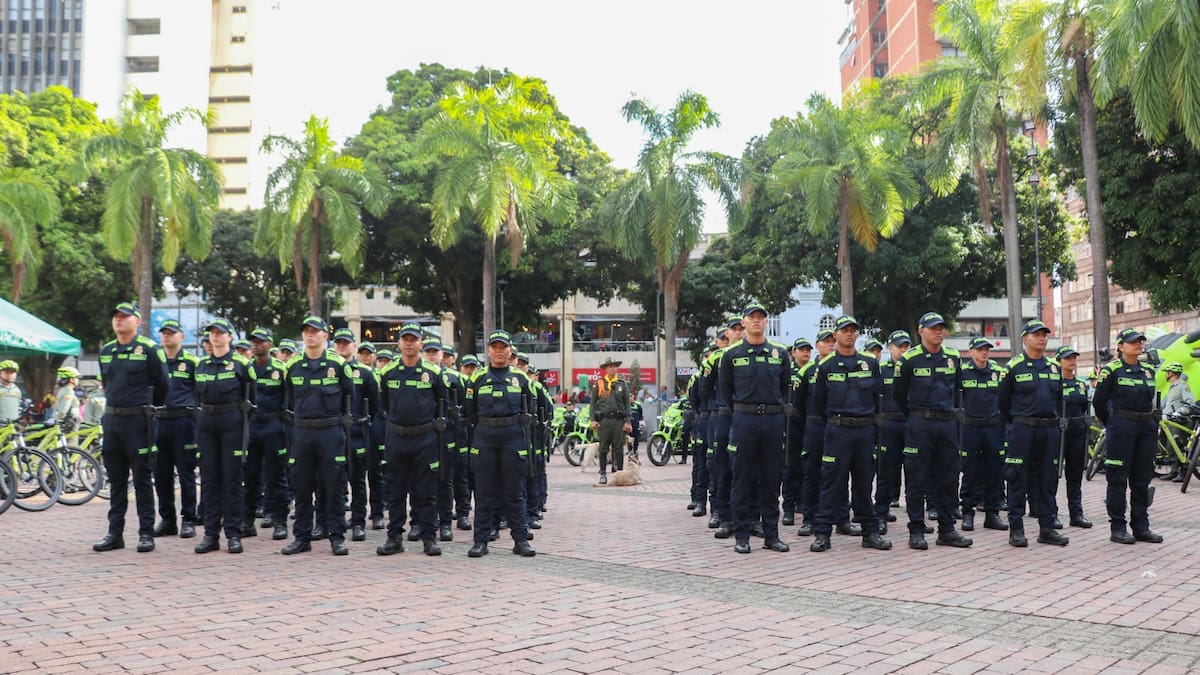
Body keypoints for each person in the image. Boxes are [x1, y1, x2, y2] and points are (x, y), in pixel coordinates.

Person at [93, 302, 169, 553]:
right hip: (112, 420)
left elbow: (163, 384)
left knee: (142, 480)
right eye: (116, 316)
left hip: (139, 421)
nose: (119, 320)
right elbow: (107, 384)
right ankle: (114, 534)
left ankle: (146, 533)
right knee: (116, 481)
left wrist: (148, 409)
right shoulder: (106, 350)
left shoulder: (149, 349)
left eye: (125, 316)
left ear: (137, 321)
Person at [810, 315, 889, 552]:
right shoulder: (826, 366)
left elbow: (878, 397)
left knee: (864, 484)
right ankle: (823, 534)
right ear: (835, 335)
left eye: (853, 330)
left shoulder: (870, 364)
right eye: (844, 330)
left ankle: (870, 533)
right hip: (838, 431)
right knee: (831, 483)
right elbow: (818, 403)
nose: (849, 334)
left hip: (864, 431)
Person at [894, 312, 972, 550]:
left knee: (949, 478)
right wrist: (915, 416)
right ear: (921, 331)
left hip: (946, 423)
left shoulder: (952, 357)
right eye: (933, 328)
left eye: (941, 328)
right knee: (916, 478)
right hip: (919, 423)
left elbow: (958, 388)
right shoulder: (909, 359)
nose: (938, 332)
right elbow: (898, 395)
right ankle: (916, 530)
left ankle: (947, 530)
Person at [718, 302, 791, 554]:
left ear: (766, 322)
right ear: (744, 322)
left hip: (772, 420)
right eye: (752, 317)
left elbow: (785, 387)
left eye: (761, 317)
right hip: (744, 420)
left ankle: (771, 535)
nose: (757, 320)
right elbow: (726, 391)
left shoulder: (779, 353)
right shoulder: (731, 355)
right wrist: (743, 410)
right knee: (742, 478)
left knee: (771, 480)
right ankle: (742, 536)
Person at [281, 316, 355, 556]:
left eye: (315, 331)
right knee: (301, 486)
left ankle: (337, 537)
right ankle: (301, 538)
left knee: (334, 486)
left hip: (330, 431)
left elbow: (349, 396)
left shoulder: (338, 364)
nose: (310, 335)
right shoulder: (292, 366)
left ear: (325, 336)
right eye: (306, 331)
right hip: (302, 432)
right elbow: (289, 398)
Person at [376, 323, 449, 557]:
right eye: (405, 339)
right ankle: (394, 538)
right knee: (395, 491)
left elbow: (443, 402)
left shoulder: (433, 372)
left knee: (426, 491)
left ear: (420, 343)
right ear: (398, 343)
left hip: (424, 437)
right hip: (396, 437)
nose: (409, 344)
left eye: (413, 340)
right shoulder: (388, 372)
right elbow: (382, 405)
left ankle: (429, 538)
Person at [997, 320, 1068, 547]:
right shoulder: (1013, 367)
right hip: (1023, 429)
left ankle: (1047, 528)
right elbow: (1003, 402)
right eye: (1037, 334)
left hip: (1048, 430)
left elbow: (1058, 399)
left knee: (1047, 480)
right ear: (1025, 338)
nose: (1042, 338)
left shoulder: (1053, 368)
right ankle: (1016, 529)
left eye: (1044, 334)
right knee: (1018, 478)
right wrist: (1017, 423)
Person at [465, 330, 536, 558]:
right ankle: (481, 541)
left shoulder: (521, 378)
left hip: (512, 435)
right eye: (494, 347)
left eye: (503, 347)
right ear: (488, 350)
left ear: (510, 350)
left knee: (515, 491)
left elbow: (530, 408)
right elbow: (469, 412)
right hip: (485, 435)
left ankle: (520, 540)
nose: (498, 351)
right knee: (484, 492)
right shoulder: (477, 378)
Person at [1093, 328, 1162, 544]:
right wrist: (1113, 422)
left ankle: (1141, 526)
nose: (1138, 344)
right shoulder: (1111, 370)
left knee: (1142, 479)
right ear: (1121, 346)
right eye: (1133, 341)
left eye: (1140, 341)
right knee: (1118, 479)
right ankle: (1118, 527)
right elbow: (1098, 402)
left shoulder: (1148, 370)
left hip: (1146, 427)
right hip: (1122, 427)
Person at [193, 318, 256, 554]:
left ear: (229, 336)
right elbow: (196, 397)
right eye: (212, 333)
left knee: (232, 480)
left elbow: (253, 397)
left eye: (220, 333)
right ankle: (211, 535)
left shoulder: (241, 364)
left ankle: (233, 534)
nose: (215, 336)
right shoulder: (202, 365)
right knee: (209, 481)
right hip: (207, 425)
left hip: (232, 424)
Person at [153, 319, 201, 540]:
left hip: (184, 422)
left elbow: (200, 392)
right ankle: (168, 520)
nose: (167, 336)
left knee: (186, 472)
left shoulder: (192, 362)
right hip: (159, 422)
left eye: (171, 333)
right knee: (161, 474)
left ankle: (189, 519)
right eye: (164, 333)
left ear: (182, 336)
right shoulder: (155, 360)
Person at [332, 328, 380, 543]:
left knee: (358, 479)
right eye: (339, 343)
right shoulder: (328, 369)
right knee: (332, 480)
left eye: (346, 342)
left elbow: (376, 407)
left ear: (354, 345)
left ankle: (358, 522)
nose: (342, 346)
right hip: (333, 431)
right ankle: (332, 522)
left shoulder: (365, 373)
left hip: (357, 433)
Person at [958, 337, 1007, 532]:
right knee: (970, 470)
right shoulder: (963, 372)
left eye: (986, 349)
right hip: (970, 427)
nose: (984, 352)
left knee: (994, 471)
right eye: (979, 349)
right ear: (971, 352)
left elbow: (1005, 398)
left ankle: (992, 513)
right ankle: (967, 513)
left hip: (992, 427)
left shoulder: (997, 372)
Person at [246, 328, 290, 540]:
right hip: (251, 426)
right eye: (254, 341)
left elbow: (290, 399)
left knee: (276, 476)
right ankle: (246, 522)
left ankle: (279, 521)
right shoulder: (246, 368)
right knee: (250, 476)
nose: (256, 344)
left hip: (274, 426)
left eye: (261, 341)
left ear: (270, 344)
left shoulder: (281, 369)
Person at [873, 330, 911, 534]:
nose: (903, 350)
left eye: (906, 346)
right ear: (890, 348)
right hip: (888, 425)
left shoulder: (912, 367)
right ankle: (881, 514)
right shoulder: (881, 370)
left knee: (915, 472)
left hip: (909, 424)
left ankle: (916, 517)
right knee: (885, 471)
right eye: (899, 346)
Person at [1056, 345, 1093, 527]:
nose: (1072, 361)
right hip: (1059, 433)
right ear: (1059, 362)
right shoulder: (1055, 383)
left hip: (1078, 432)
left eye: (1074, 358)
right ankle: (1051, 514)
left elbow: (1085, 406)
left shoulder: (1081, 384)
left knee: (1075, 475)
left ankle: (1076, 514)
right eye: (1067, 358)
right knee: (1052, 476)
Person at [780, 337, 812, 527]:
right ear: (794, 353)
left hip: (809, 423)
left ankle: (803, 502)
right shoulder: (788, 372)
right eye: (802, 350)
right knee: (790, 467)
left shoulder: (814, 370)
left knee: (806, 467)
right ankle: (789, 508)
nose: (805, 353)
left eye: (808, 350)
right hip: (791, 425)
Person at [589, 355, 632, 484]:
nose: (614, 369)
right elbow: (593, 403)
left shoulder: (622, 384)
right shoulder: (600, 383)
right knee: (603, 448)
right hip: (604, 421)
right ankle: (603, 474)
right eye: (611, 367)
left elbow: (627, 404)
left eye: (615, 366)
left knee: (618, 448)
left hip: (618, 421)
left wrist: (628, 421)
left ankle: (620, 474)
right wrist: (593, 419)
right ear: (606, 369)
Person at [52, 366, 81, 431]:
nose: (78, 380)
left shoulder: (62, 390)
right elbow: (63, 409)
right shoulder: (68, 391)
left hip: (64, 421)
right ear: (71, 380)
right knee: (72, 438)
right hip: (70, 422)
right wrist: (60, 419)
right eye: (77, 377)